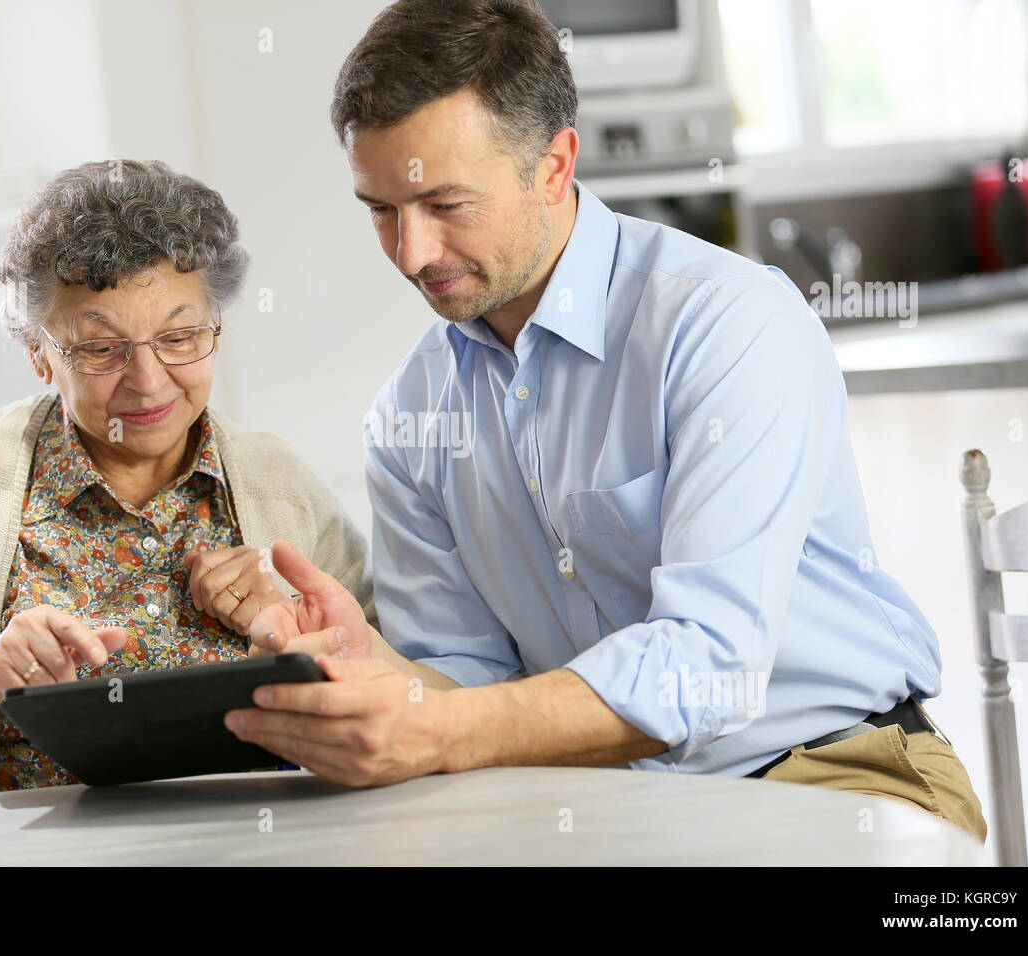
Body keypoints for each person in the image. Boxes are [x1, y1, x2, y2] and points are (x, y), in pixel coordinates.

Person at [225, 0, 987, 844]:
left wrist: (435, 728)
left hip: (833, 772)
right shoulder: (409, 419)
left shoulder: (724, 325)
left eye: (445, 203)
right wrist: (379, 676)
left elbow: (709, 669)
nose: (412, 254)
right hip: (595, 806)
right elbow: (471, 691)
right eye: (381, 210)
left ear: (554, 166)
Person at [0, 159, 373, 801]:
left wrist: (293, 633)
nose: (148, 380)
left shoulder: (278, 482)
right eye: (99, 348)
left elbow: (394, 696)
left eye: (179, 335)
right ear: (37, 350)